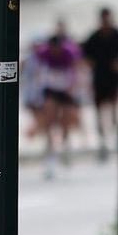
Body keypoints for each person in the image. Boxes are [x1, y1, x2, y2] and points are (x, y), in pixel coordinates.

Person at [30, 21, 84, 179]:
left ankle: (65, 145)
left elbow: (76, 68)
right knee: (49, 119)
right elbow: (36, 64)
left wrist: (73, 87)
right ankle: (49, 151)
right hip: (50, 89)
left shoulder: (69, 53)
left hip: (65, 89)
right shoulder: (44, 52)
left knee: (66, 119)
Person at [79, 7, 118, 162]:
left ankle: (115, 138)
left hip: (115, 79)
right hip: (99, 78)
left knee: (116, 110)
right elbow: (84, 56)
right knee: (99, 111)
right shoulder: (94, 37)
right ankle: (103, 141)